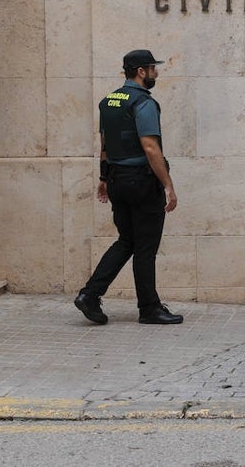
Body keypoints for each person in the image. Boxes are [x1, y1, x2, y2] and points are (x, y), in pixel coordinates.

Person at [75, 49, 183, 326]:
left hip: (117, 180)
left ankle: (90, 294)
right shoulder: (143, 103)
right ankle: (149, 308)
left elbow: (105, 145)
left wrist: (103, 179)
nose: (156, 73)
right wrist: (168, 185)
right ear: (140, 72)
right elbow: (150, 146)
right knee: (145, 247)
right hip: (142, 182)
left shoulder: (108, 101)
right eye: (152, 68)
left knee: (127, 241)